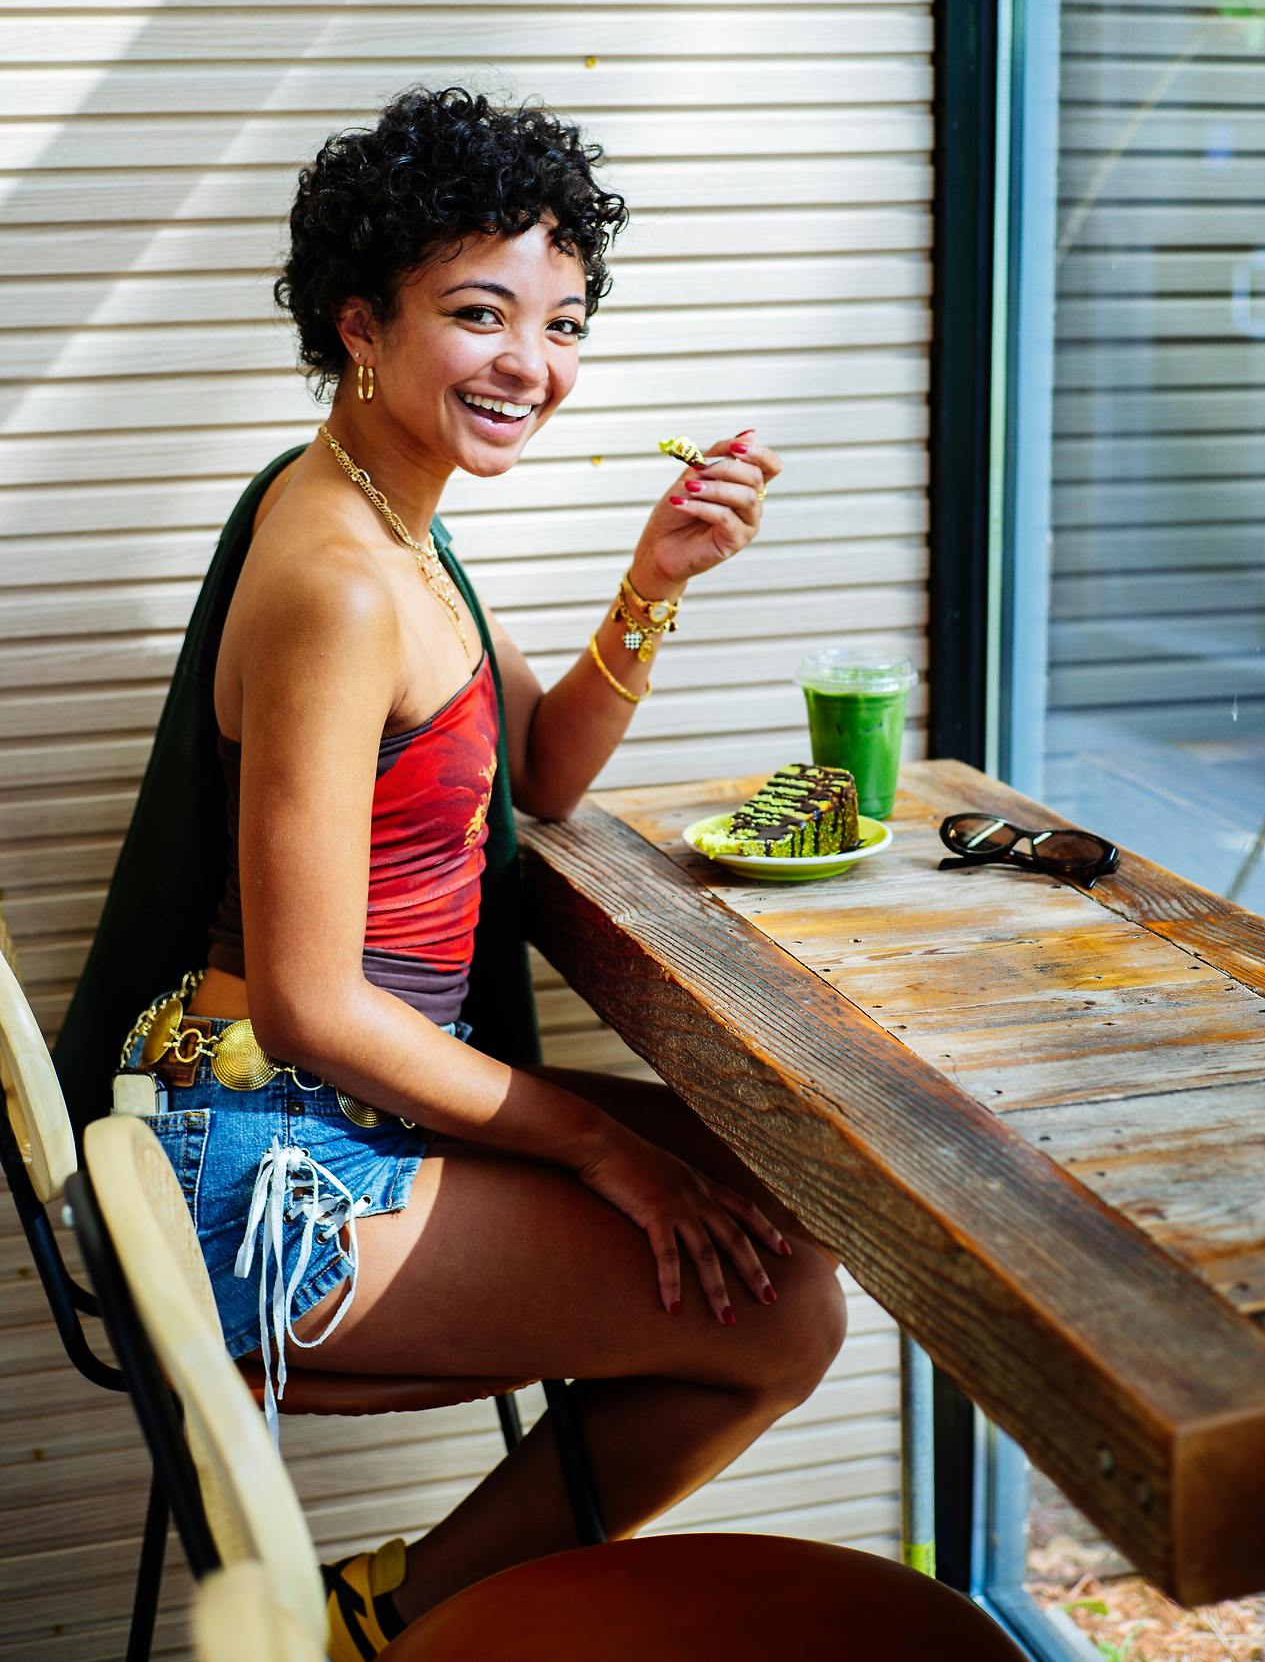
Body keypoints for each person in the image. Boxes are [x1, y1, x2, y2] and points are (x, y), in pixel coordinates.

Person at [113, 87, 847, 1657]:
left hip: (328, 1112)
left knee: (795, 1191)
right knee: (779, 1308)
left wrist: (652, 585)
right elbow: (312, 1005)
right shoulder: (339, 584)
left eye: (563, 320)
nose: (534, 362)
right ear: (359, 321)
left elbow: (544, 772)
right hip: (270, 1165)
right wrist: (602, 1149)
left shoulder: (397, 517)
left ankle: (396, 1609)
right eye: (481, 313)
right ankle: (397, 1618)